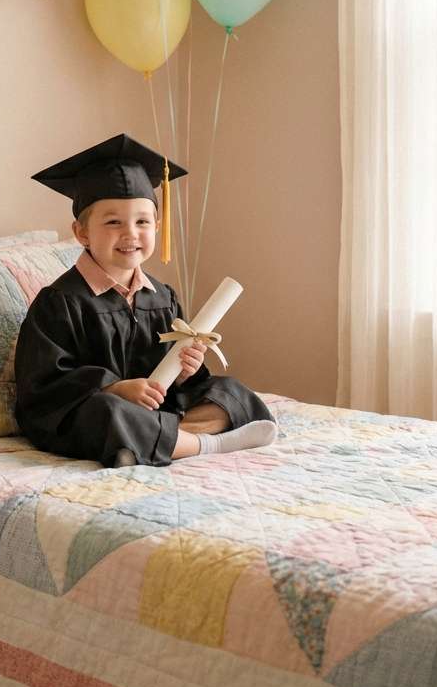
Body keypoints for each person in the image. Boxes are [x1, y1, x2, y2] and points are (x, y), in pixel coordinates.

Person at [14, 134, 276, 467]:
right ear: (81, 233)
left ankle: (159, 439)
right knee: (108, 414)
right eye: (113, 222)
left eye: (142, 221)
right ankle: (200, 444)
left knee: (232, 392)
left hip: (155, 410)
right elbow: (43, 386)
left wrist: (186, 372)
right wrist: (115, 389)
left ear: (157, 226)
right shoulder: (60, 301)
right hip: (87, 411)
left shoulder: (163, 297)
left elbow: (178, 382)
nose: (131, 234)